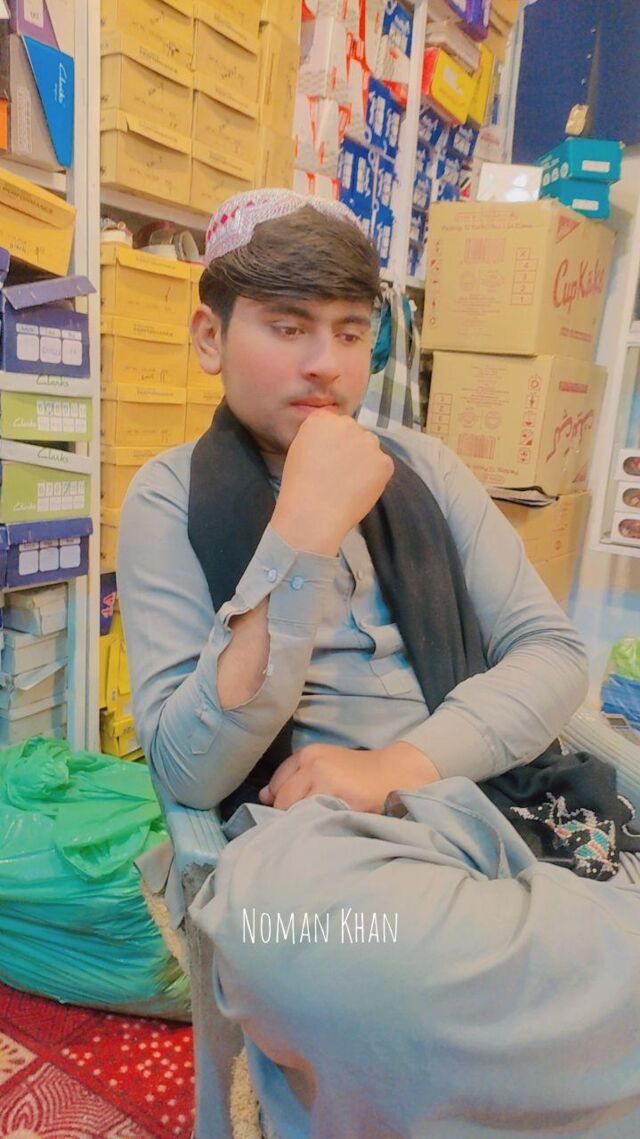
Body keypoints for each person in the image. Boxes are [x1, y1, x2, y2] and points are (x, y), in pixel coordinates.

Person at [118, 190, 640, 1139]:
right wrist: (303, 529)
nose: (326, 363)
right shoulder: (165, 499)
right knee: (300, 948)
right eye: (288, 327)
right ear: (210, 336)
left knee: (433, 981)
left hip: (480, 800)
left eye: (351, 333)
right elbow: (188, 769)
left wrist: (398, 765)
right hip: (311, 855)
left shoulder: (427, 469)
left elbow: (552, 649)